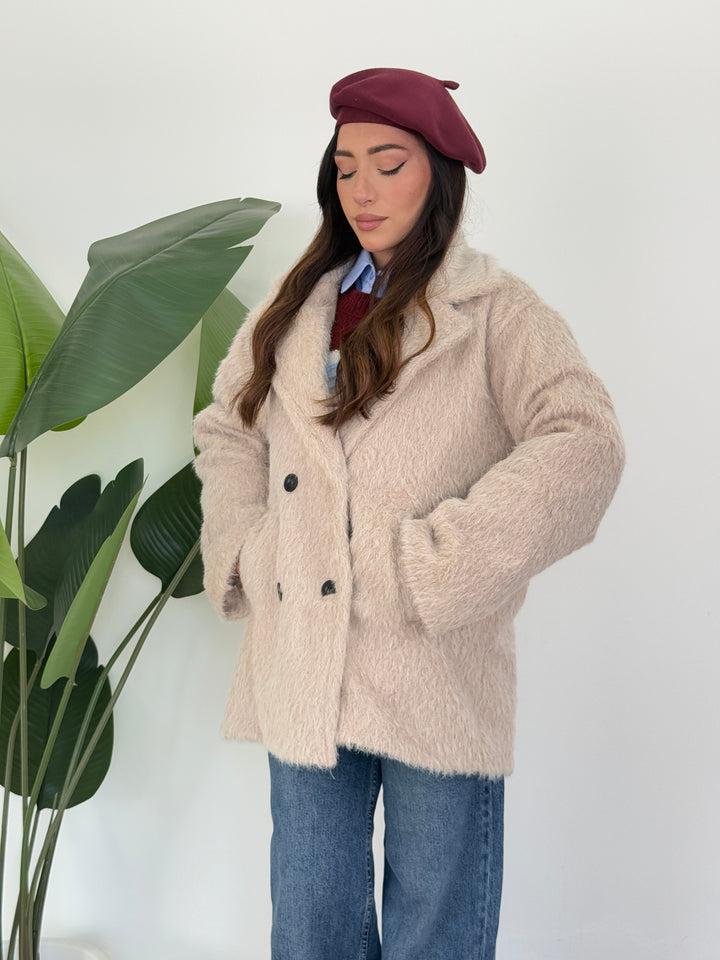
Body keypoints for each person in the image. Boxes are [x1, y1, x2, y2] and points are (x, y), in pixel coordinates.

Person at [193, 67, 625, 960]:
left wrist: (439, 563)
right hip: (303, 654)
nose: (363, 189)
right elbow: (228, 427)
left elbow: (586, 442)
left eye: (389, 164)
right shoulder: (296, 304)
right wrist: (244, 549)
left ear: (439, 174)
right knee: (309, 926)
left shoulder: (497, 312)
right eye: (346, 167)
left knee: (438, 928)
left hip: (434, 661)